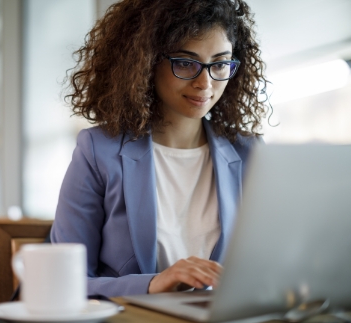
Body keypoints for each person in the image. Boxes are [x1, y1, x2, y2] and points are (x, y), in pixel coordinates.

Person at [50, 0, 269, 297]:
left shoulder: (250, 153)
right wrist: (152, 284)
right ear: (146, 61)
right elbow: (63, 281)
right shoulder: (98, 151)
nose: (205, 83)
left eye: (219, 64)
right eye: (185, 63)